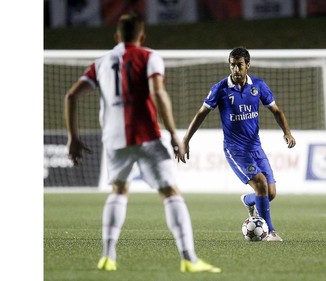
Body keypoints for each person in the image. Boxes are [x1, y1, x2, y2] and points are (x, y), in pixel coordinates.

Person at [64, 12, 221, 273]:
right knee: (170, 192)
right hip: (147, 136)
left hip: (114, 139)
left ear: (116, 36)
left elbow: (71, 96)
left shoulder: (101, 62)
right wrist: (173, 134)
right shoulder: (150, 56)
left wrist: (73, 138)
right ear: (143, 36)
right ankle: (189, 259)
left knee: (118, 191)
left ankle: (108, 256)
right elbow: (157, 91)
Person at [178, 47, 296, 242]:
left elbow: (276, 110)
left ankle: (248, 200)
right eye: (232, 65)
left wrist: (287, 132)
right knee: (260, 185)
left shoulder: (258, 86)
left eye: (239, 65)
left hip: (255, 147)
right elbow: (201, 113)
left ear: (247, 65)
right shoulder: (220, 89)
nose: (235, 69)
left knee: (270, 193)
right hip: (235, 149)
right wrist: (185, 139)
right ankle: (271, 232)